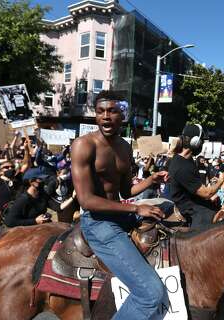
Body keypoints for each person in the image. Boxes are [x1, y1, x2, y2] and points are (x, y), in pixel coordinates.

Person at [72, 90, 169, 319]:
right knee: (150, 294)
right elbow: (86, 200)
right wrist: (136, 207)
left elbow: (125, 191)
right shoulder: (83, 145)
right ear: (95, 115)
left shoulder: (125, 147)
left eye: (112, 111)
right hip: (97, 223)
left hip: (120, 214)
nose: (106, 116)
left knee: (168, 214)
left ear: (122, 115)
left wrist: (150, 180)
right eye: (100, 111)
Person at [168, 124, 224, 228]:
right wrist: (221, 181)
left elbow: (195, 188)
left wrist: (210, 198)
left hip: (195, 201)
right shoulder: (181, 166)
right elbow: (206, 193)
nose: (202, 144)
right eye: (202, 141)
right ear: (195, 142)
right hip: (189, 209)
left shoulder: (188, 160)